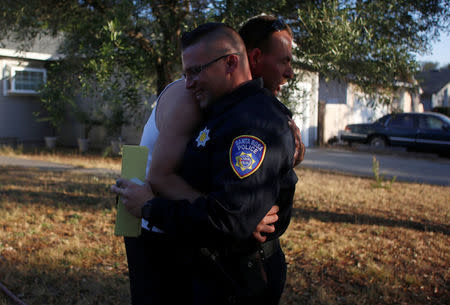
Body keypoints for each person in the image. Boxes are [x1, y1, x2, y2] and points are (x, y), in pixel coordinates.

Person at [115, 22, 298, 305]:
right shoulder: (218, 106)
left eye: (195, 71)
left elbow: (230, 218)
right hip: (193, 253)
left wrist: (151, 206)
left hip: (238, 273)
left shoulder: (252, 119)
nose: (188, 83)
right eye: (186, 73)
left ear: (231, 62)